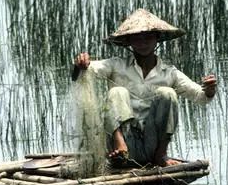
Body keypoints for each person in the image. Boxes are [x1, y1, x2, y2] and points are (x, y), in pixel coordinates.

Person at [72, 9, 217, 167]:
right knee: (117, 92)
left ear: (157, 39)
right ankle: (121, 147)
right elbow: (82, 72)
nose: (143, 43)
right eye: (137, 38)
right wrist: (80, 63)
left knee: (167, 93)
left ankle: (161, 155)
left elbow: (201, 97)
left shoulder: (169, 72)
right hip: (121, 144)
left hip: (151, 145)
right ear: (129, 41)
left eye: (148, 37)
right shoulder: (116, 65)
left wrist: (209, 89)